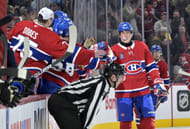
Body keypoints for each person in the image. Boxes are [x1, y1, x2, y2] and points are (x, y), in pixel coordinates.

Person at [8, 7, 105, 94]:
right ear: (50, 22)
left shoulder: (22, 24)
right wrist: (91, 53)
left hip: (8, 68)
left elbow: (8, 40)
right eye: (63, 36)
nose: (65, 39)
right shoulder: (50, 39)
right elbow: (74, 54)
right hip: (27, 78)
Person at [111, 22, 167, 129]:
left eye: (127, 33)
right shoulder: (114, 50)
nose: (125, 35)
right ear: (119, 35)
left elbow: (152, 66)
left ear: (131, 34)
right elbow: (108, 70)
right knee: (125, 124)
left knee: (149, 123)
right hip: (123, 93)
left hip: (143, 92)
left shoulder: (142, 46)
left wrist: (157, 81)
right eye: (122, 33)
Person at [48, 62, 124, 129]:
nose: (122, 80)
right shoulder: (102, 83)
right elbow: (92, 107)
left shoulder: (102, 82)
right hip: (61, 102)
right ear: (113, 77)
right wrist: (86, 126)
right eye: (121, 76)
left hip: (63, 103)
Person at [135, 44, 170, 129]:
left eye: (158, 52)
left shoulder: (163, 64)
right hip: (143, 92)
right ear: (151, 53)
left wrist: (164, 93)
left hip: (155, 93)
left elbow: (165, 80)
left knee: (150, 113)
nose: (157, 54)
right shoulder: (146, 63)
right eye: (155, 52)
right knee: (138, 112)